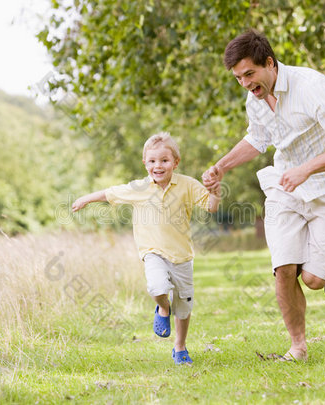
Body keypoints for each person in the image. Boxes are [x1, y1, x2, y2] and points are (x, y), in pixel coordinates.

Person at [202, 29, 325, 362]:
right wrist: (222, 165)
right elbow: (257, 138)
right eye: (238, 78)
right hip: (284, 186)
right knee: (284, 268)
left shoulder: (311, 87)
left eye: (250, 74)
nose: (246, 84)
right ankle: (298, 348)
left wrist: (307, 169)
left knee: (313, 280)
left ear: (270, 63)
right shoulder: (255, 98)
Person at [73, 132, 220, 365]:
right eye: (152, 161)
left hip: (182, 256)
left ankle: (180, 347)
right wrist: (85, 199)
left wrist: (215, 190)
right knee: (157, 285)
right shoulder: (139, 188)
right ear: (145, 163)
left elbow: (211, 207)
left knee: (183, 308)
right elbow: (110, 193)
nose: (158, 166)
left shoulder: (187, 185)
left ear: (175, 162)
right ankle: (162, 308)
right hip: (152, 252)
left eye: (164, 160)